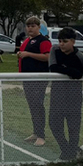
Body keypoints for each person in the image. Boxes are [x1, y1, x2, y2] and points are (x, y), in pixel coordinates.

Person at [48, 27, 83, 160]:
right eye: (60, 41)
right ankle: (66, 149)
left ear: (73, 42)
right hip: (57, 94)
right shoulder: (55, 50)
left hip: (73, 95)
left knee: (73, 126)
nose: (61, 44)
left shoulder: (80, 56)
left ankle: (72, 152)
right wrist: (71, 71)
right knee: (54, 124)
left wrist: (79, 72)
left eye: (65, 41)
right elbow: (53, 67)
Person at [17, 16, 52, 147]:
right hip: (27, 78)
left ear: (38, 27)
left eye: (33, 26)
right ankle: (36, 132)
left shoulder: (43, 41)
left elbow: (47, 57)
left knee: (38, 105)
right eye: (28, 26)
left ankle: (41, 135)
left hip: (38, 79)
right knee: (32, 106)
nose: (30, 28)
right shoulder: (26, 41)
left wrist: (28, 54)